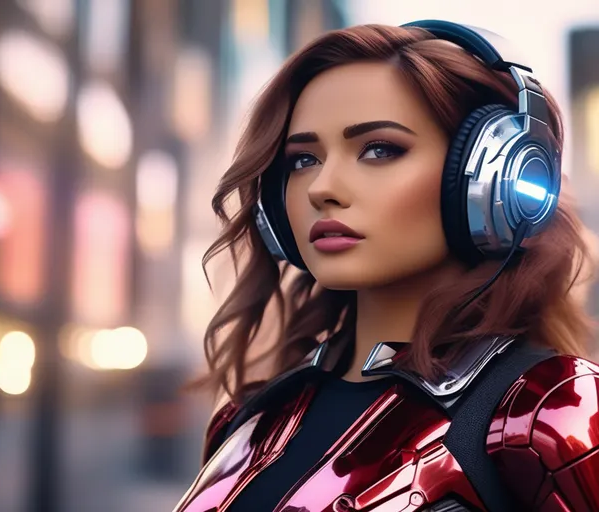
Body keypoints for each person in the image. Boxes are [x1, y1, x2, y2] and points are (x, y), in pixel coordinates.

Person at [174, 20, 599, 512]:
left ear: (496, 179)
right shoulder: (247, 419)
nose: (321, 187)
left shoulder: (550, 408)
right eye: (302, 160)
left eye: (379, 149)